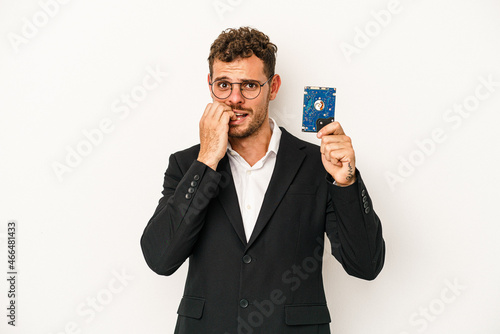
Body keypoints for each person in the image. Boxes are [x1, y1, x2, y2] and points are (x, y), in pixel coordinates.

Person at [140, 26, 385, 334]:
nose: (235, 99)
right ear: (210, 85)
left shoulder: (316, 165)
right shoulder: (188, 165)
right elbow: (160, 259)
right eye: (224, 85)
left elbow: (365, 265)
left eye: (250, 86)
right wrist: (206, 162)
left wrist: (346, 184)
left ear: (273, 87)